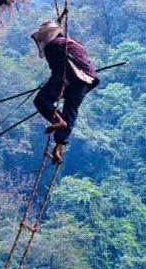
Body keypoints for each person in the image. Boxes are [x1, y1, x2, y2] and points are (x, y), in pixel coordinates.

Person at [31, 21, 99, 163]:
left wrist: (62, 80)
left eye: (44, 37)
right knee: (71, 109)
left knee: (41, 100)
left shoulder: (52, 45)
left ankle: (58, 120)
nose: (43, 41)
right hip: (87, 79)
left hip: (69, 74)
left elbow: (58, 68)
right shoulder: (74, 43)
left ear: (49, 35)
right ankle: (59, 145)